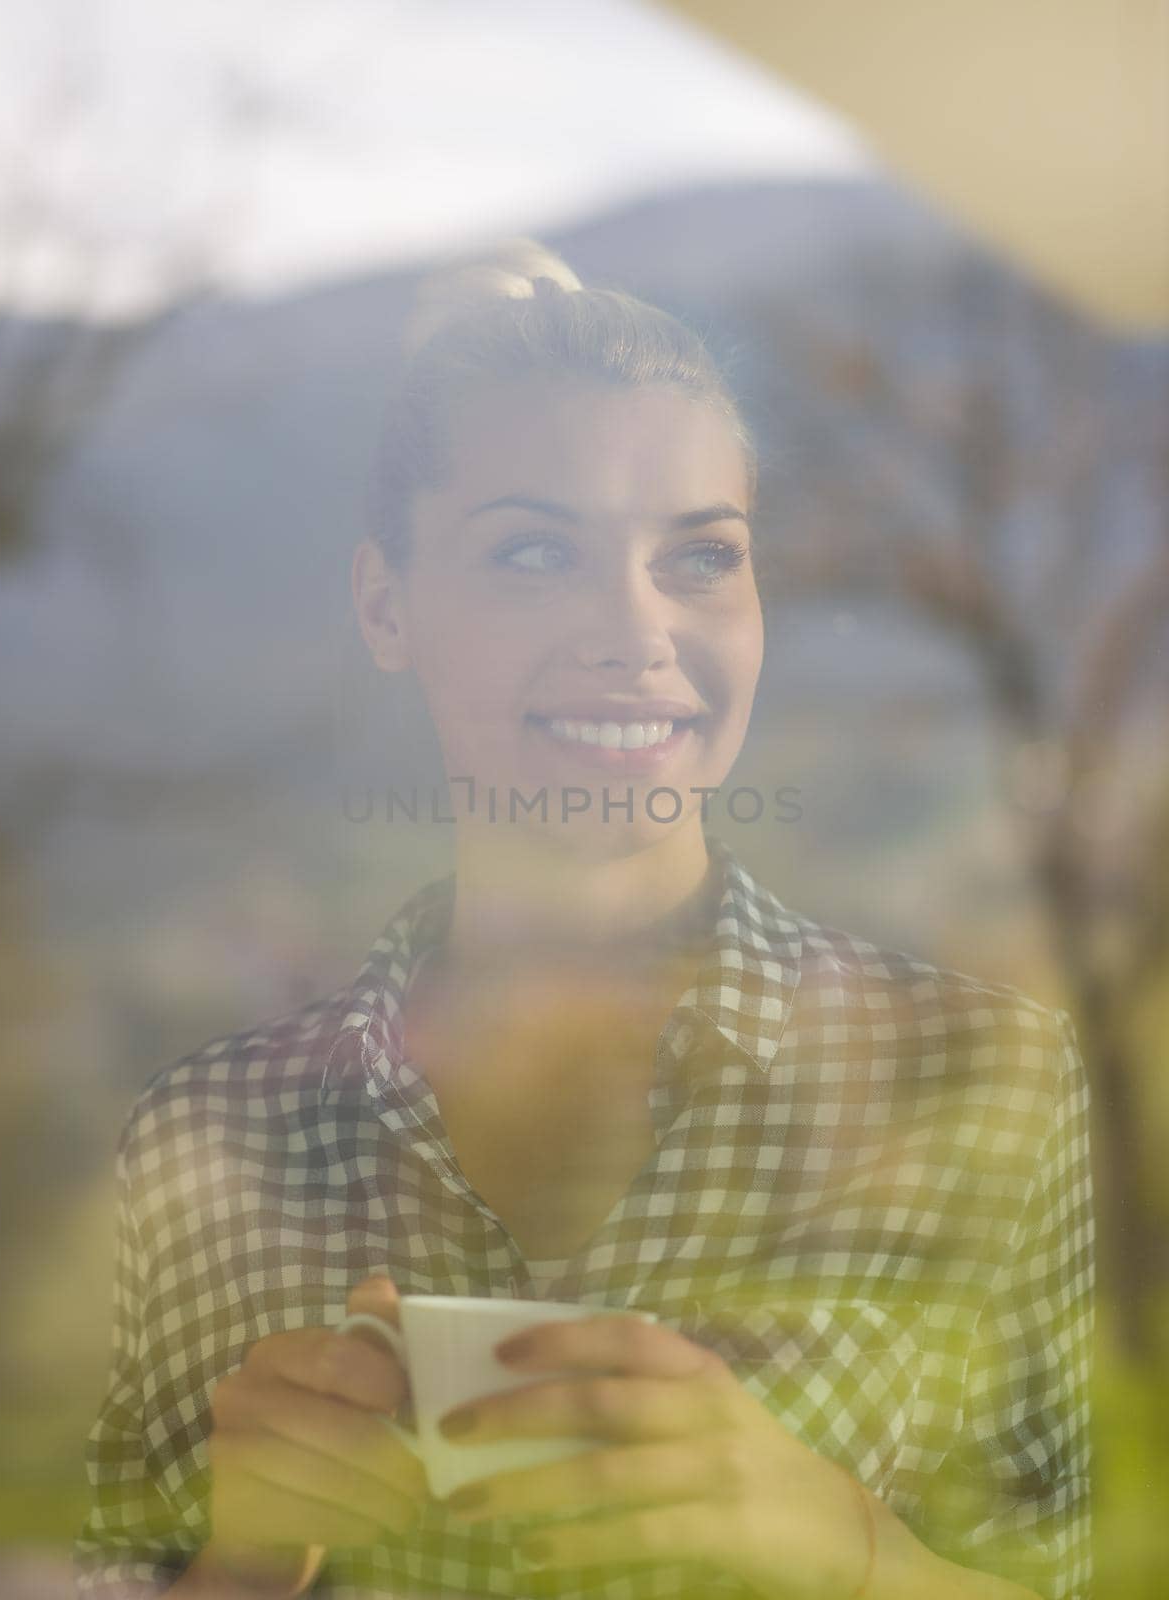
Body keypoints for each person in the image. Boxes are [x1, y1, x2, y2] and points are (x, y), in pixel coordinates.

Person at [75, 240, 1094, 1600]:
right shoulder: (204, 1138)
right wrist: (245, 1564)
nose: (635, 632)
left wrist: (839, 1547)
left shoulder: (985, 1076)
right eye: (535, 552)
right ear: (388, 603)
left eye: (700, 558)